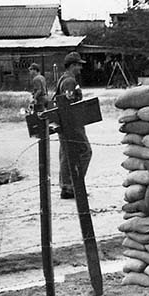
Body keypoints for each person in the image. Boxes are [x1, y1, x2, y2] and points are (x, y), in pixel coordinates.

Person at [54, 52, 93, 200]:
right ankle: (74, 185)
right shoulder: (69, 81)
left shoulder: (62, 79)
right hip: (71, 122)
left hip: (64, 122)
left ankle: (66, 186)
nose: (80, 68)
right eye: (78, 65)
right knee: (85, 151)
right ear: (72, 65)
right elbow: (68, 103)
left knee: (66, 153)